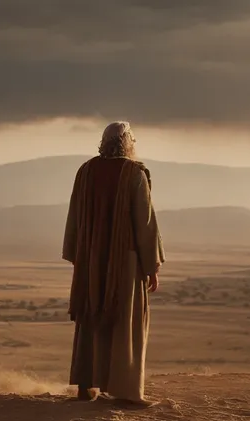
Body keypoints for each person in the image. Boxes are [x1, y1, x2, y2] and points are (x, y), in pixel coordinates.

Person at [62, 121, 165, 406]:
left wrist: (78, 256)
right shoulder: (134, 174)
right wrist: (151, 266)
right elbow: (144, 223)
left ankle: (86, 386)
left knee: (90, 316)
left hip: (90, 259)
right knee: (125, 322)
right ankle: (127, 391)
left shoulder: (85, 172)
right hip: (126, 262)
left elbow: (74, 216)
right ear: (127, 142)